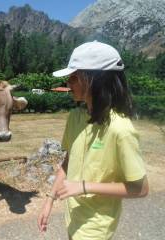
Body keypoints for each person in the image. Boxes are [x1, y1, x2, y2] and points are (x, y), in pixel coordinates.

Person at [37, 41, 149, 240]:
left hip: (96, 228)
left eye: (74, 77)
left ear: (94, 79)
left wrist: (84, 186)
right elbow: (68, 161)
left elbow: (140, 189)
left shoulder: (120, 129)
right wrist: (50, 199)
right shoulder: (75, 117)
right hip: (72, 217)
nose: (68, 83)